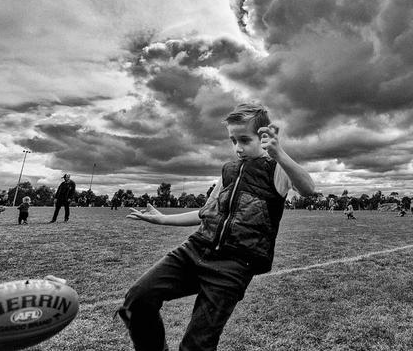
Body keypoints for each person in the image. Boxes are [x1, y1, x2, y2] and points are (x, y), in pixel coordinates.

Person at [117, 102, 315, 351]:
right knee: (138, 299)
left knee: (197, 345)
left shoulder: (276, 169)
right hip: (197, 249)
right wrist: (162, 219)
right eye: (233, 141)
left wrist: (280, 154)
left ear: (263, 136)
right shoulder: (228, 171)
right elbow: (205, 214)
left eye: (244, 140)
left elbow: (308, 188)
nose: (238, 148)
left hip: (234, 265)